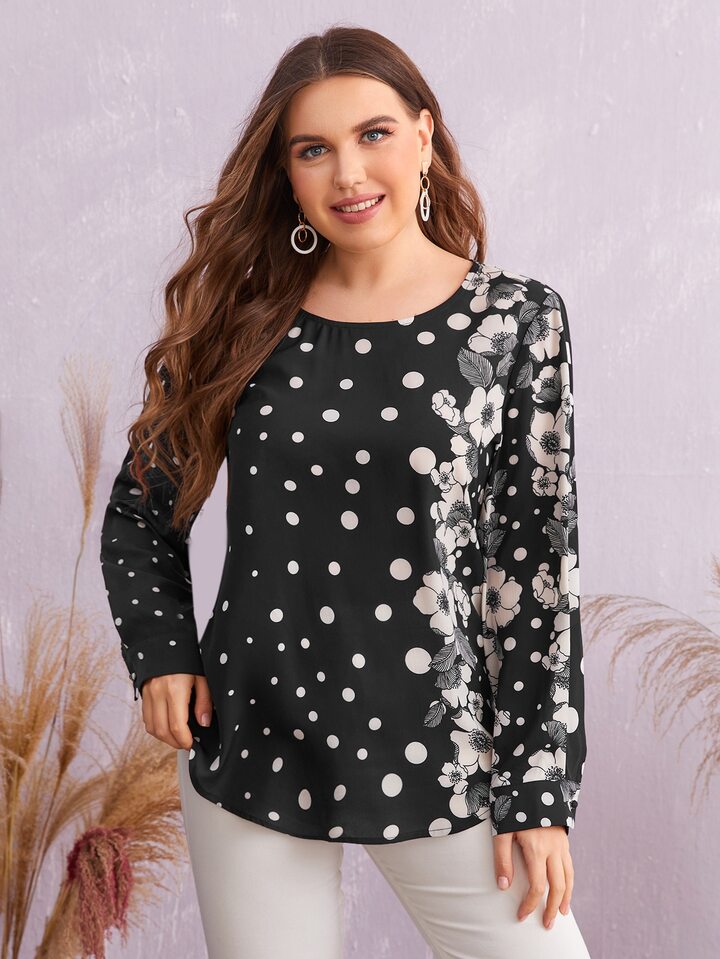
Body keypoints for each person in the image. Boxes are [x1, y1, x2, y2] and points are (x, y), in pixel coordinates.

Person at [99, 25, 590, 959]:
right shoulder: (241, 319)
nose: (349, 173)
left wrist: (538, 792)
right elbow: (139, 512)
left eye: (373, 135)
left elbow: (536, 570)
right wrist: (161, 653)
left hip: (444, 745)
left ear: (424, 135)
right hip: (253, 734)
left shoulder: (516, 322)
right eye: (313, 149)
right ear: (286, 173)